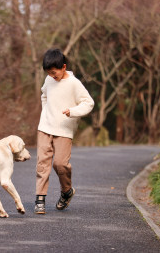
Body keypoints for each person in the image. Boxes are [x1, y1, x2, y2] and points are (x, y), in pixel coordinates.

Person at [35, 48, 94, 214]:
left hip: (64, 129)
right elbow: (44, 95)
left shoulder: (74, 83)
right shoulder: (48, 80)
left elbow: (88, 103)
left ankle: (66, 192)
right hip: (45, 126)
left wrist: (72, 112)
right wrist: (45, 111)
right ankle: (40, 199)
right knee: (42, 164)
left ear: (64, 67)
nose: (52, 76)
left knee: (60, 164)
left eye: (54, 72)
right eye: (49, 73)